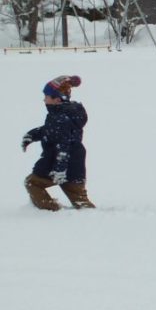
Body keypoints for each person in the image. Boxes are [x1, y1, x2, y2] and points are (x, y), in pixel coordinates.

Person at [22, 75, 95, 211]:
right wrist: (32, 135)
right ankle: (90, 216)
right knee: (80, 201)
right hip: (75, 165)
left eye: (46, 96)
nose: (44, 99)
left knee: (32, 183)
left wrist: (59, 170)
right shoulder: (66, 114)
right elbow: (53, 131)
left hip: (56, 165)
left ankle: (52, 213)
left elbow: (64, 144)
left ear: (56, 99)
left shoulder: (60, 118)